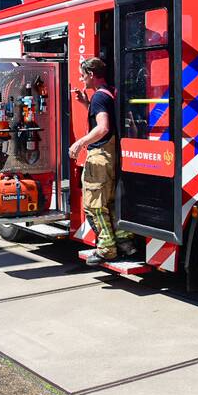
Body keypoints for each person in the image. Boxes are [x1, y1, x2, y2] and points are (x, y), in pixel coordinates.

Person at [69, 57, 136, 265]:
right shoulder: (111, 92)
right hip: (115, 155)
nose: (81, 79)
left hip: (100, 157)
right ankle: (125, 243)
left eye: (83, 75)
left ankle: (107, 249)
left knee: (94, 205)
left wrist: (80, 143)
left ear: (91, 74)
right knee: (112, 201)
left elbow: (103, 127)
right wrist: (85, 104)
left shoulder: (99, 97)